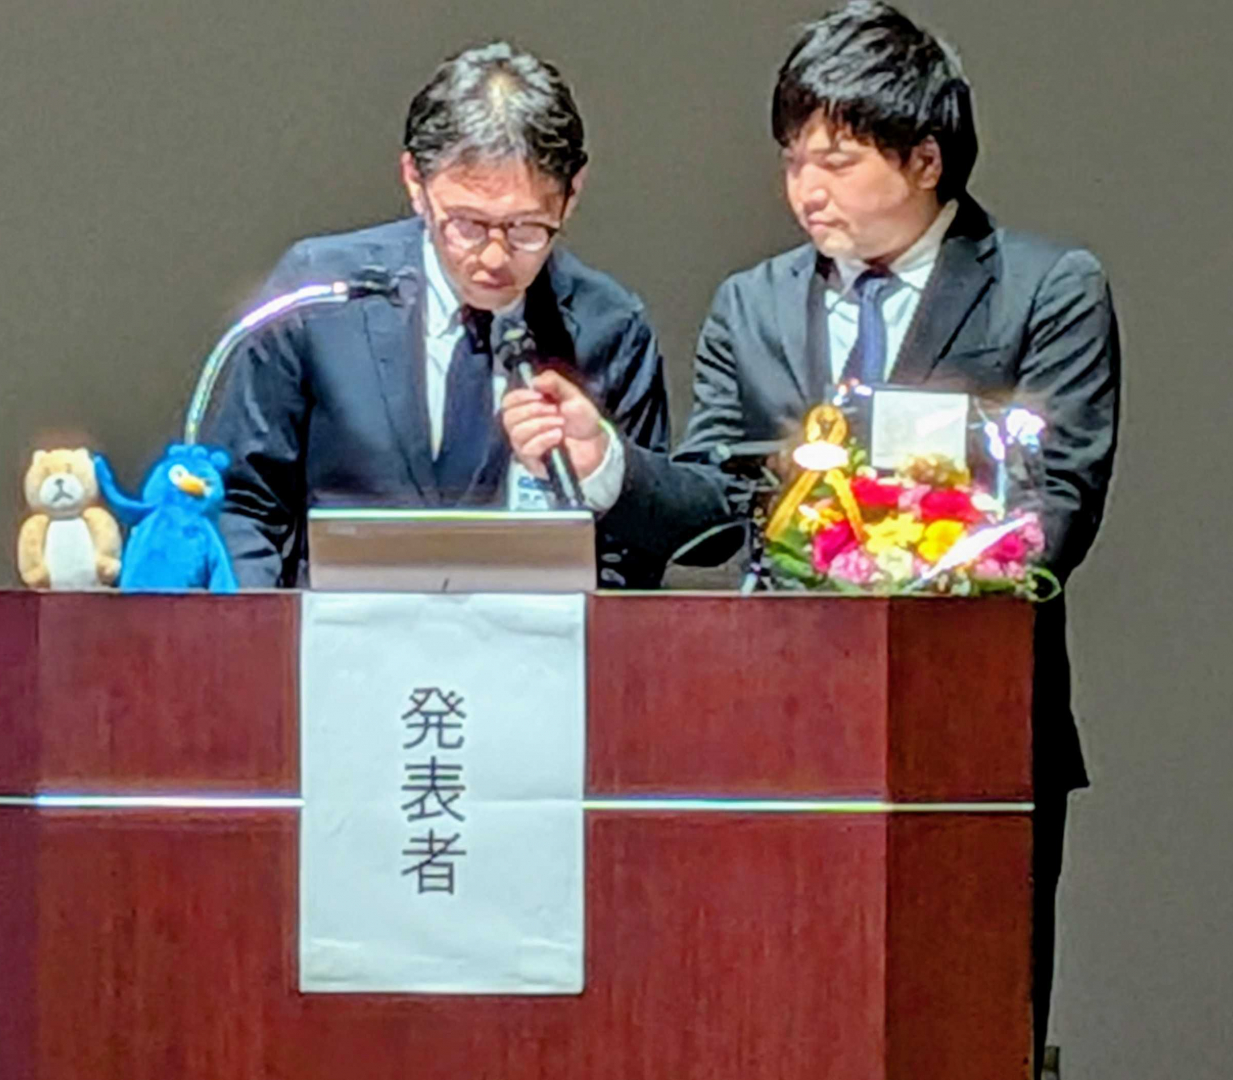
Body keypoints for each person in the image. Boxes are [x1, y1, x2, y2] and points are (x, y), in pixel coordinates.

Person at [500, 3, 1120, 1070]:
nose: (806, 190)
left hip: (968, 729)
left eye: (836, 160)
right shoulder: (754, 305)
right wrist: (608, 465)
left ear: (924, 159)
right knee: (776, 1017)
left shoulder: (1043, 290)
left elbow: (1054, 507)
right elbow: (714, 508)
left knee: (965, 1026)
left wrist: (881, 541)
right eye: (793, 161)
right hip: (775, 725)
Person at [204, 41, 670, 588]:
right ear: (415, 183)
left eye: (526, 229)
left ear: (571, 195)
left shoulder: (610, 328)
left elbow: (637, 559)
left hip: (536, 635)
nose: (494, 258)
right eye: (467, 225)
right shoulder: (319, 294)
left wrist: (605, 471)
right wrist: (265, 632)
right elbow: (243, 504)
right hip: (342, 629)